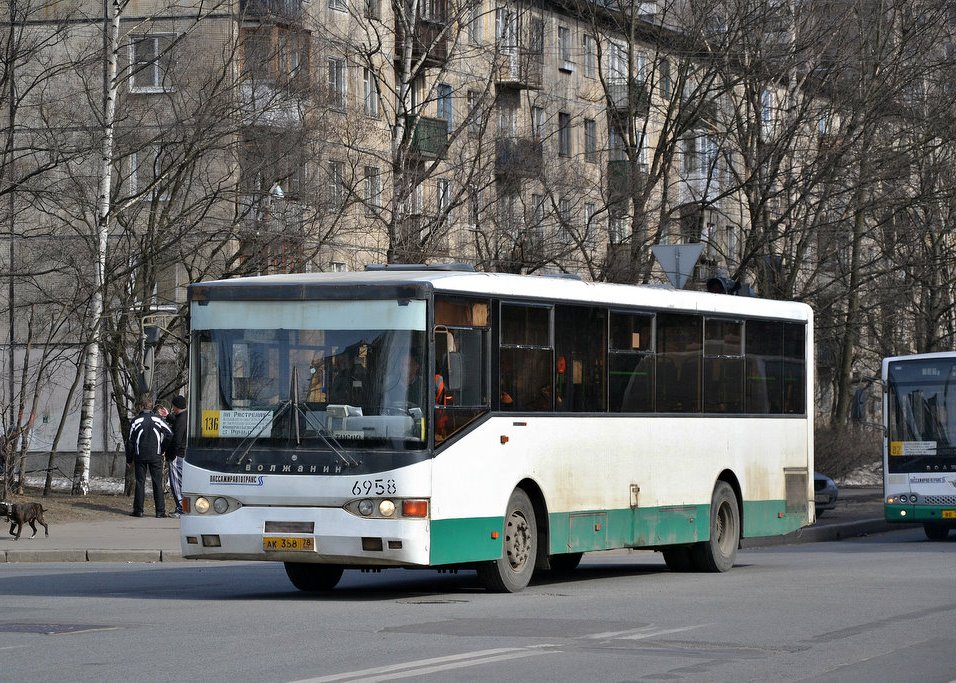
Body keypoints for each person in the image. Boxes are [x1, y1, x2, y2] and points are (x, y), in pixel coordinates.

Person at [125, 397, 173, 518]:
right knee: (157, 482)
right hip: (155, 455)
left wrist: (129, 459)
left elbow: (130, 441)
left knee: (140, 482)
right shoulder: (158, 419)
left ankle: (138, 510)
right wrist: (162, 449)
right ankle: (160, 511)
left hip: (140, 455)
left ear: (141, 407)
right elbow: (169, 434)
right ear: (151, 407)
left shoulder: (136, 420)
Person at [165, 395, 187, 517]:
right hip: (183, 454)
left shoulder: (180, 420)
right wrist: (168, 416)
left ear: (176, 406)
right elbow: (177, 420)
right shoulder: (185, 417)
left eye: (173, 406)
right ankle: (184, 507)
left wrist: (170, 455)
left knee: (176, 482)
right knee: (182, 481)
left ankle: (181, 508)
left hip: (176, 455)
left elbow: (177, 440)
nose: (172, 408)